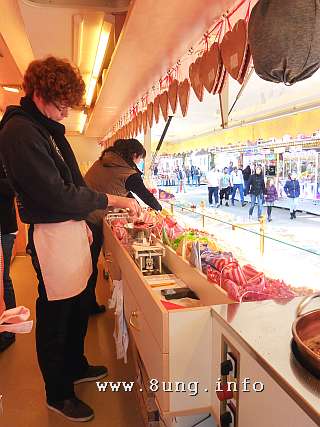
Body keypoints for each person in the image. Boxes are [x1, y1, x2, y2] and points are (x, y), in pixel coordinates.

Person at [0, 56, 141, 422]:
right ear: (39, 93)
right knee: (56, 315)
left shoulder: (46, 129)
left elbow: (74, 184)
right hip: (52, 236)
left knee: (78, 306)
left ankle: (75, 365)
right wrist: (113, 199)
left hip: (71, 232)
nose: (65, 114)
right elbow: (57, 195)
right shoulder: (20, 132)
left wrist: (98, 205)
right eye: (61, 105)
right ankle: (57, 393)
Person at [85, 139, 162, 310]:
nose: (139, 163)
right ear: (134, 155)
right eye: (140, 159)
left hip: (83, 216)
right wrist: (159, 210)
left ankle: (85, 303)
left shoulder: (105, 162)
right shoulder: (127, 172)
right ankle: (87, 306)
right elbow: (145, 195)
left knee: (87, 264)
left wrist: (137, 208)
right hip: (93, 219)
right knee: (89, 265)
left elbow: (123, 191)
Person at [0, 163, 18, 352]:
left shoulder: (4, 150)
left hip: (4, 229)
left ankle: (9, 330)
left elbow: (13, 185)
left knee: (3, 279)